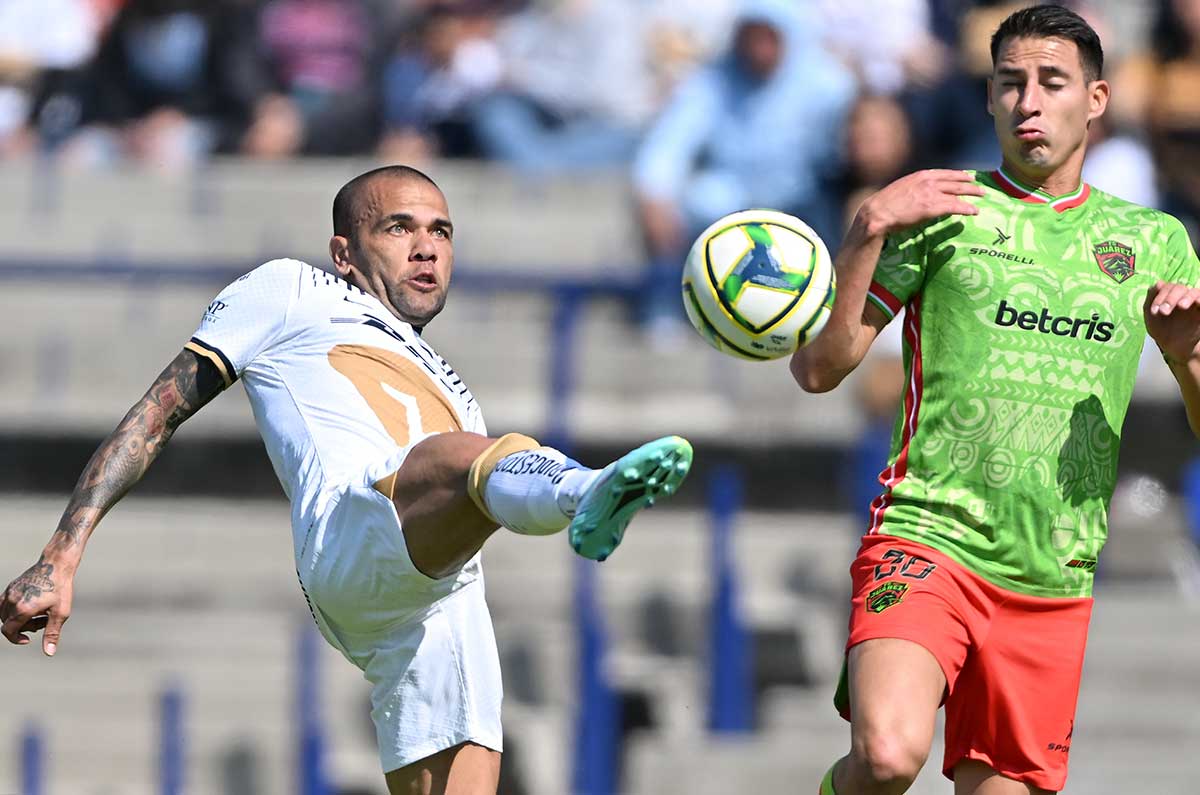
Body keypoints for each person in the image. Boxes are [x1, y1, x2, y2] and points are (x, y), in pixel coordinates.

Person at [0, 164, 693, 795]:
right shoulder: (290, 290)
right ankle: (585, 489)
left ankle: (576, 490)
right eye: (400, 227)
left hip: (435, 588)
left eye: (441, 231)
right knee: (468, 455)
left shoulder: (454, 386)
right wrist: (62, 552)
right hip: (350, 528)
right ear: (344, 253)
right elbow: (159, 411)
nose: (427, 248)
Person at [791, 5, 1200, 794]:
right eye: (1009, 83)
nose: (1028, 101)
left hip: (1051, 573)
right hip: (927, 536)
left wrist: (1185, 357)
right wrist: (867, 228)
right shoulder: (938, 210)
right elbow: (819, 368)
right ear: (988, 99)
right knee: (886, 753)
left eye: (1052, 82)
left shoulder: (1155, 242)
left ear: (1098, 99)